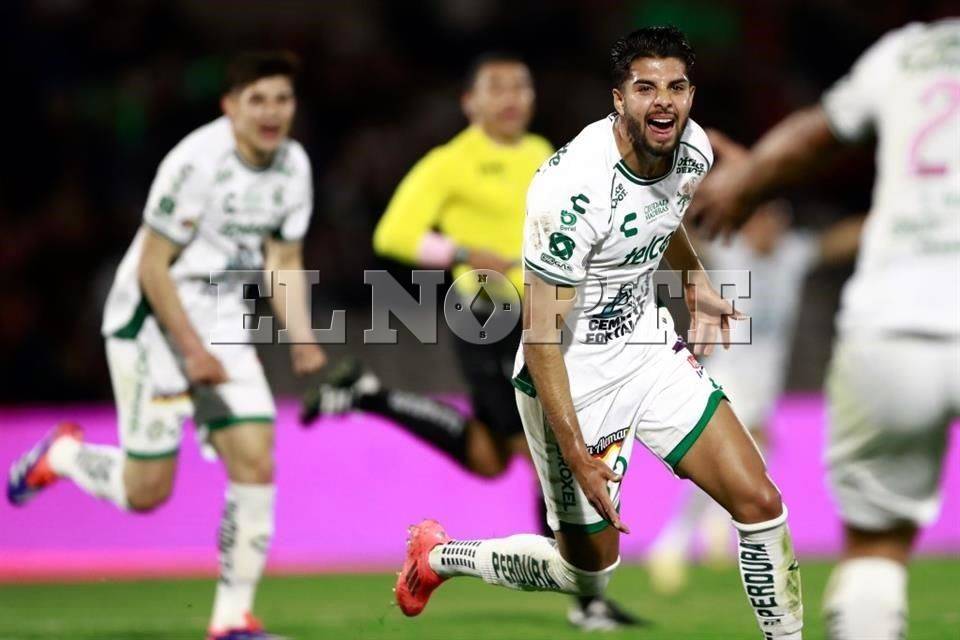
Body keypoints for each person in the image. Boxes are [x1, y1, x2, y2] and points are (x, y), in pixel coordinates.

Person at [393, 26, 804, 639]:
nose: (663, 101)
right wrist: (579, 454)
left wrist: (691, 282)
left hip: (648, 351)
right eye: (645, 88)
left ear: (692, 94)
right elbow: (539, 337)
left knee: (761, 503)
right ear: (619, 99)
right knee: (588, 573)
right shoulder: (573, 190)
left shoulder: (691, 149)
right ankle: (438, 557)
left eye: (677, 87)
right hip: (569, 375)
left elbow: (660, 219)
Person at [302, 52, 640, 630]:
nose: (511, 97)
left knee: (492, 457)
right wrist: (459, 253)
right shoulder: (449, 162)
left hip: (539, 315)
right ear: (470, 102)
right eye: (497, 87)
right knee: (544, 454)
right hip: (483, 314)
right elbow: (394, 231)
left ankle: (368, 395)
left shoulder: (540, 152)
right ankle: (587, 599)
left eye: (521, 85)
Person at [6, 51, 325, 640]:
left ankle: (232, 621)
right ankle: (65, 457)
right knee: (146, 492)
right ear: (230, 107)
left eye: (282, 99)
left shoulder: (294, 166)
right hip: (152, 323)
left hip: (223, 321)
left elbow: (283, 257)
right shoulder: (194, 162)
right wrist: (190, 351)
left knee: (256, 458)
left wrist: (302, 338)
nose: (271, 112)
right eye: (257, 99)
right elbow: (154, 267)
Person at [687, 18, 960, 640]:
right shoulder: (733, 256)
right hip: (728, 369)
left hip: (889, 325)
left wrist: (745, 178)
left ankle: (692, 540)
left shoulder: (904, 52)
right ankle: (693, 540)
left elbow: (815, 135)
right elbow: (695, 239)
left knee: (874, 544)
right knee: (743, 456)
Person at [647, 195, 863, 594]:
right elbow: (686, 240)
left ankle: (710, 523)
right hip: (728, 375)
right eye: (760, 219)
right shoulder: (729, 251)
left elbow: (836, 242)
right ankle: (672, 543)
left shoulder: (792, 255)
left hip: (766, 381)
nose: (768, 228)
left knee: (757, 455)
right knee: (729, 460)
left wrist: (885, 217)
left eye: (775, 221)